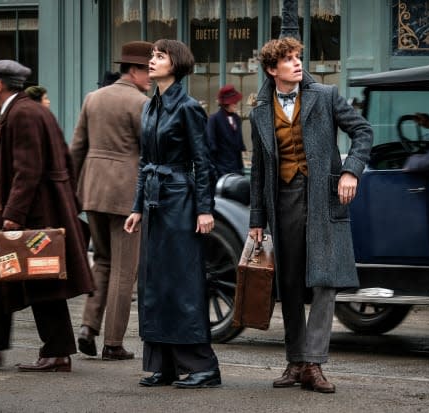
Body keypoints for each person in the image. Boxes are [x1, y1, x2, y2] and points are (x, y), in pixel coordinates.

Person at [0, 59, 94, 372]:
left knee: (41, 283)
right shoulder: (30, 110)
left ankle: (57, 353)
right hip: (39, 210)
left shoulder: (23, 113)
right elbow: (66, 160)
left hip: (33, 214)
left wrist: (13, 214)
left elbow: (27, 169)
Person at [248, 37, 373, 393]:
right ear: (272, 70)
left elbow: (362, 131)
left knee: (324, 282)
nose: (297, 64)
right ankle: (296, 361)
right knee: (288, 283)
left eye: (298, 57)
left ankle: (315, 363)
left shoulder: (326, 95)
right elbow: (258, 168)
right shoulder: (260, 109)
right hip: (281, 199)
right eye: (288, 60)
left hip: (323, 198)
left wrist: (351, 170)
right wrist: (256, 219)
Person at [124, 39, 221, 389]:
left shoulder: (189, 107)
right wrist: (136, 207)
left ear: (176, 63)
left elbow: (203, 162)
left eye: (159, 56)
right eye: (152, 56)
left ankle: (203, 367)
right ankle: (163, 365)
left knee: (181, 284)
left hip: (180, 200)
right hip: (154, 201)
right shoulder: (150, 108)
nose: (152, 61)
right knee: (155, 284)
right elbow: (145, 162)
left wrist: (205, 209)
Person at [70, 41, 154, 361]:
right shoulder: (141, 104)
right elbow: (149, 153)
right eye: (147, 70)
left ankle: (88, 327)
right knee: (124, 269)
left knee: (102, 261)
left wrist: (73, 195)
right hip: (125, 195)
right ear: (134, 70)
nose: (150, 76)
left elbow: (77, 148)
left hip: (92, 191)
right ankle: (113, 342)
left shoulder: (93, 98)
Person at [206, 84, 246, 178]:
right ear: (226, 104)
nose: (236, 104)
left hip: (237, 170)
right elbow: (211, 148)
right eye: (233, 102)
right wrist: (215, 172)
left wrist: (241, 170)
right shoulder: (214, 119)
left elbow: (239, 146)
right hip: (221, 171)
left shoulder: (237, 118)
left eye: (236, 101)